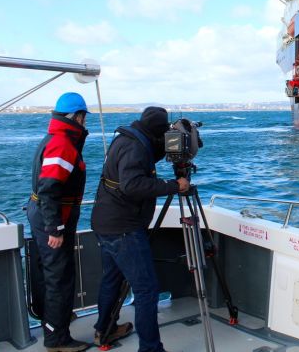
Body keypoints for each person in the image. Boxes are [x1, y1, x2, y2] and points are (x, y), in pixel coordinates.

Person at [91, 107, 189, 352]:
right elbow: (132, 184)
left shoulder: (129, 139)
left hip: (106, 221)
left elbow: (140, 161)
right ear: (157, 131)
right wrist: (173, 185)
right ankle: (150, 348)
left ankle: (104, 329)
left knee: (112, 279)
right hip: (124, 228)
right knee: (146, 289)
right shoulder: (135, 146)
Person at [27, 92, 90, 352]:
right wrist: (55, 228)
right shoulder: (63, 143)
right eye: (83, 118)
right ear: (76, 117)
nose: (85, 123)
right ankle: (57, 339)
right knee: (59, 278)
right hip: (50, 218)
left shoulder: (55, 137)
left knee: (51, 275)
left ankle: (54, 322)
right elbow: (50, 188)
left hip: (44, 214)